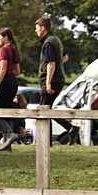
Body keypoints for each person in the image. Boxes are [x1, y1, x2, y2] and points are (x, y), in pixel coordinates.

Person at [35, 17, 77, 145]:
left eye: (36, 28)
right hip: (58, 79)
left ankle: (45, 142)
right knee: (48, 109)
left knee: (43, 110)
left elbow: (51, 64)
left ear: (43, 28)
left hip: (52, 81)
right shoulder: (56, 40)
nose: (35, 31)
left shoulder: (48, 43)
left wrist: (48, 82)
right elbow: (65, 57)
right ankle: (71, 128)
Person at [0, 28, 23, 151]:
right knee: (5, 111)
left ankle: (9, 133)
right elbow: (17, 71)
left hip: (4, 83)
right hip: (13, 82)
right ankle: (7, 145)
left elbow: (3, 69)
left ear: (6, 37)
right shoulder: (14, 49)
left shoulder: (4, 49)